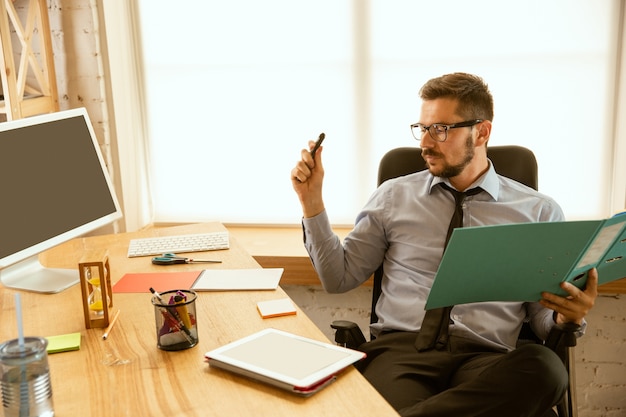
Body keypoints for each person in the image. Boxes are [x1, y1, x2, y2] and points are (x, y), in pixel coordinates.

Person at [290, 72, 597, 417]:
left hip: (488, 360)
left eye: (440, 129)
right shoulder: (393, 197)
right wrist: (311, 201)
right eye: (422, 128)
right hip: (401, 355)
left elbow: (541, 319)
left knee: (546, 368)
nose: (425, 143)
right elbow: (338, 278)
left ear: (481, 132)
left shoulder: (538, 212)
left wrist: (563, 316)